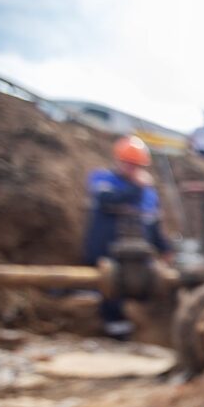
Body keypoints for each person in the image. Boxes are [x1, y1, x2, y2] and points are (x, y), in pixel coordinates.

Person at [84, 135, 171, 339]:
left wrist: (165, 250)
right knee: (111, 290)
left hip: (138, 255)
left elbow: (154, 223)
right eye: (129, 164)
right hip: (105, 249)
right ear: (118, 160)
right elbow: (107, 199)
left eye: (136, 165)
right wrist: (136, 188)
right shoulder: (103, 179)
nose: (132, 169)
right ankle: (114, 331)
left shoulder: (149, 194)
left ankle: (138, 329)